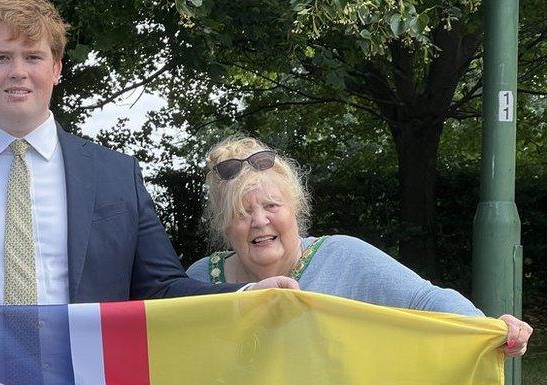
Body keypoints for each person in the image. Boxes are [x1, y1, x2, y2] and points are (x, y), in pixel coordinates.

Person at [0, 0, 297, 385]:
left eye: (33, 56)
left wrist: (245, 300)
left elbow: (162, 289)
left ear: (56, 68)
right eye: (1, 57)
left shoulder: (116, 175)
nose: (18, 71)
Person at [187, 135, 532, 357]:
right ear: (223, 224)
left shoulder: (344, 257)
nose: (260, 221)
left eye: (272, 206)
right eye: (242, 212)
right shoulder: (199, 278)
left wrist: (488, 327)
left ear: (296, 208)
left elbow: (424, 300)